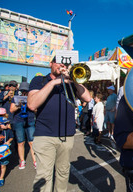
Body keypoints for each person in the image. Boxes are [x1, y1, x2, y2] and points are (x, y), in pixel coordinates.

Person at [27, 56, 91, 192]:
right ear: (50, 63)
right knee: (44, 175)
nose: (63, 65)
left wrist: (74, 81)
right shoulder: (39, 80)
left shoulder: (71, 82)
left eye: (66, 63)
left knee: (63, 172)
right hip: (44, 135)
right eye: (59, 62)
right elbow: (32, 105)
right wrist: (53, 83)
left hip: (67, 135)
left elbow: (87, 98)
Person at [10, 82, 36, 170]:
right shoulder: (15, 98)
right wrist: (19, 105)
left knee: (32, 142)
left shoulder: (32, 97)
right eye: (23, 91)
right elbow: (11, 110)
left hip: (30, 120)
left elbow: (36, 109)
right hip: (18, 121)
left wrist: (30, 104)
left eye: (26, 91)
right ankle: (22, 160)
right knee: (20, 142)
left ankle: (35, 160)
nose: (24, 92)